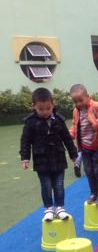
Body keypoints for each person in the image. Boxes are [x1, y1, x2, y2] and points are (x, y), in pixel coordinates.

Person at [20, 88, 78, 221]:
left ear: (53, 104)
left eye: (48, 108)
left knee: (59, 185)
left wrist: (73, 154)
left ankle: (60, 207)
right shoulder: (30, 122)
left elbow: (67, 138)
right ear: (34, 106)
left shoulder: (59, 120)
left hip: (58, 158)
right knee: (46, 185)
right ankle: (49, 208)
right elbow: (25, 141)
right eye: (41, 109)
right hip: (41, 160)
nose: (45, 111)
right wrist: (25, 158)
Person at [69, 84, 98, 205]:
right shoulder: (76, 111)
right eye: (75, 101)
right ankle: (93, 193)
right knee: (88, 171)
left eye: (80, 100)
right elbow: (75, 125)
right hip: (84, 147)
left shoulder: (96, 106)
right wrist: (71, 134)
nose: (78, 104)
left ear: (88, 97)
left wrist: (97, 122)